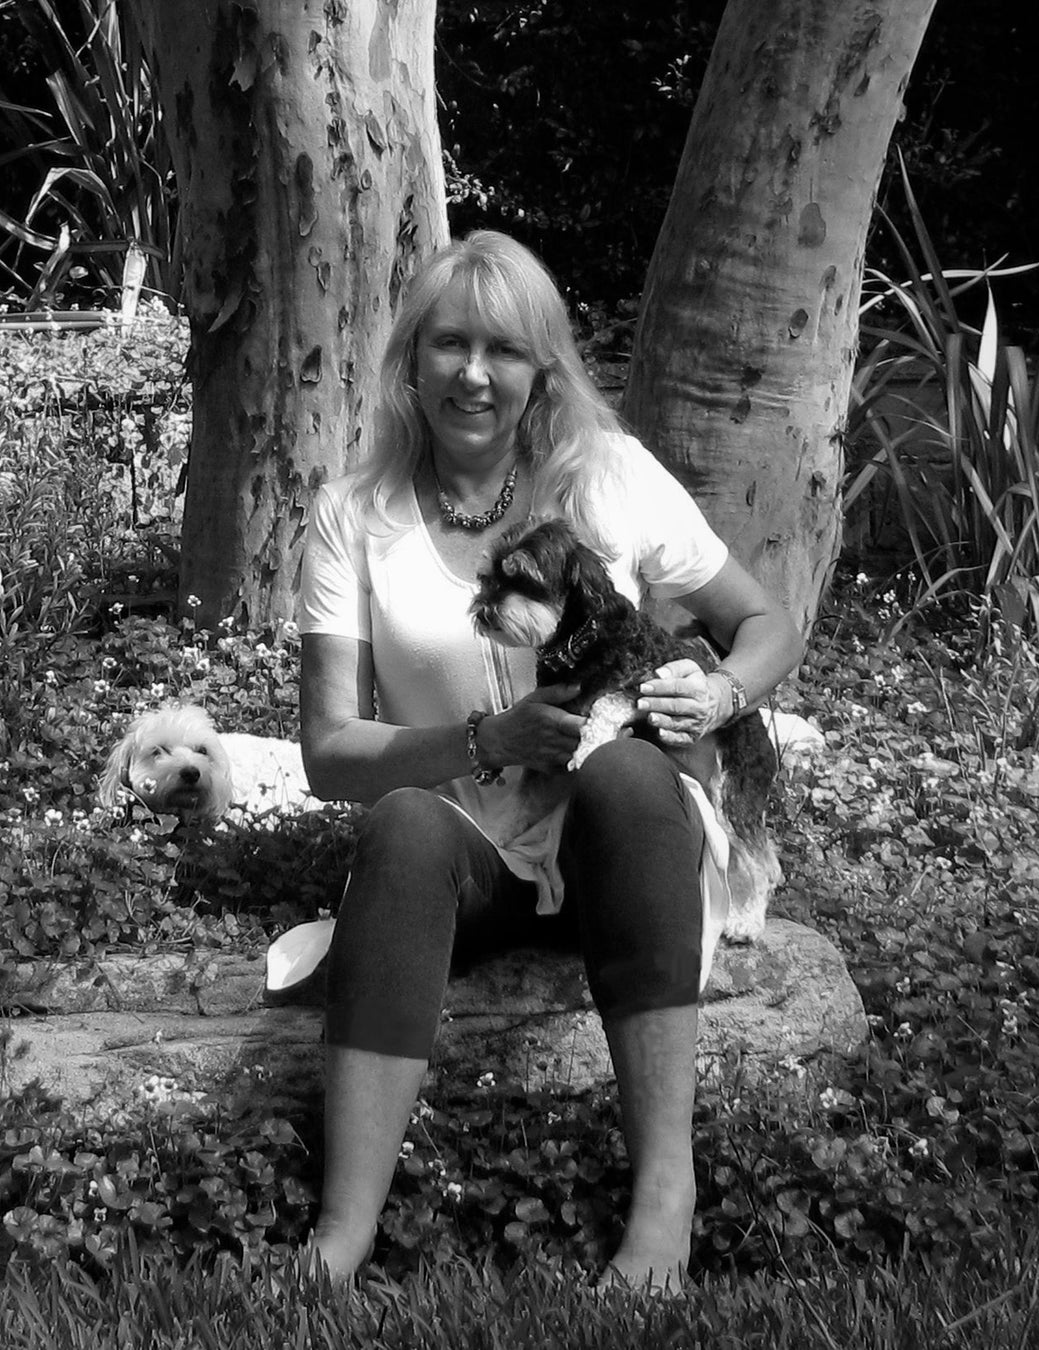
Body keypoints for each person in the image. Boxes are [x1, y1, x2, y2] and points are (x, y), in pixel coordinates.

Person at [294, 231, 805, 1290]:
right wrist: (484, 742)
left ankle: (664, 1204)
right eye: (450, 343)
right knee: (402, 822)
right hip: (473, 863)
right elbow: (331, 754)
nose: (474, 374)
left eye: (505, 350)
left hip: (625, 852)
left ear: (543, 370)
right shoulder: (353, 516)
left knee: (626, 775)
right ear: (411, 359)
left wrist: (719, 693)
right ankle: (341, 1236)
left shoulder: (608, 478)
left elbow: (766, 625)